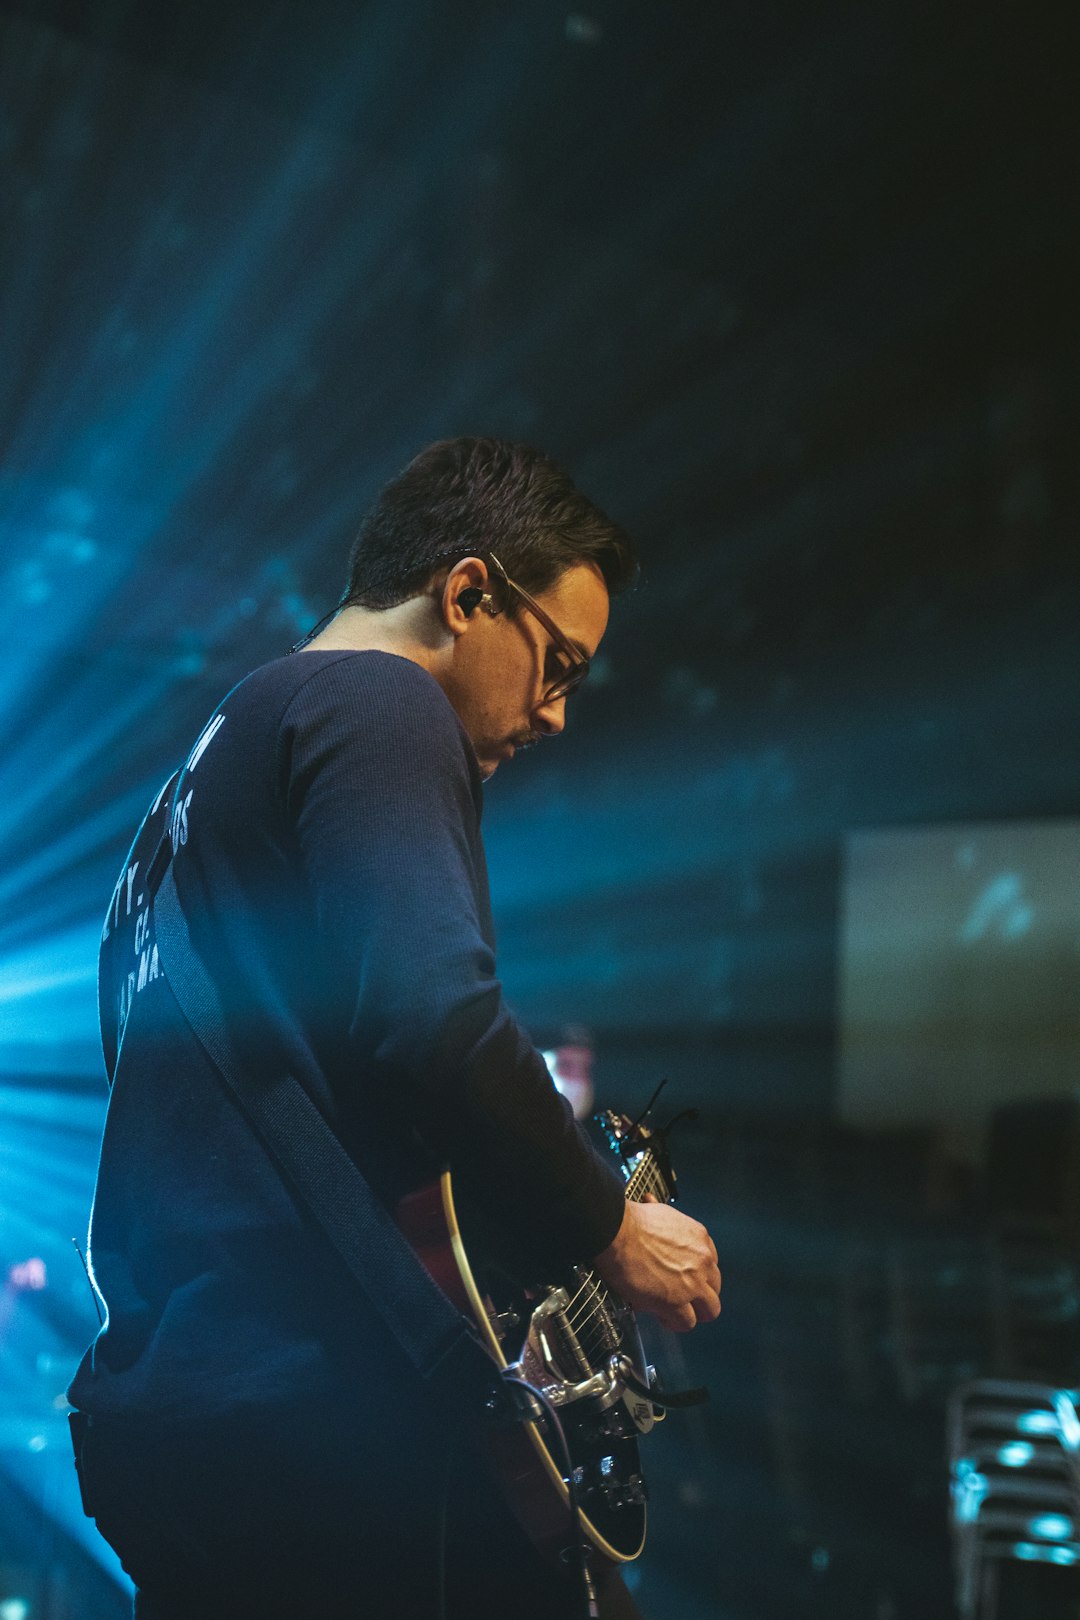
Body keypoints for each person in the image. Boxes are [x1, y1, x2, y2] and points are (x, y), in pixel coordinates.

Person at [69, 437, 722, 1619]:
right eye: (557, 662)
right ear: (469, 593)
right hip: (330, 1417)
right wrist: (606, 1220)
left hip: (194, 1411)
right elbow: (434, 1014)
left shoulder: (204, 778)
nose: (559, 714)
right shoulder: (374, 701)